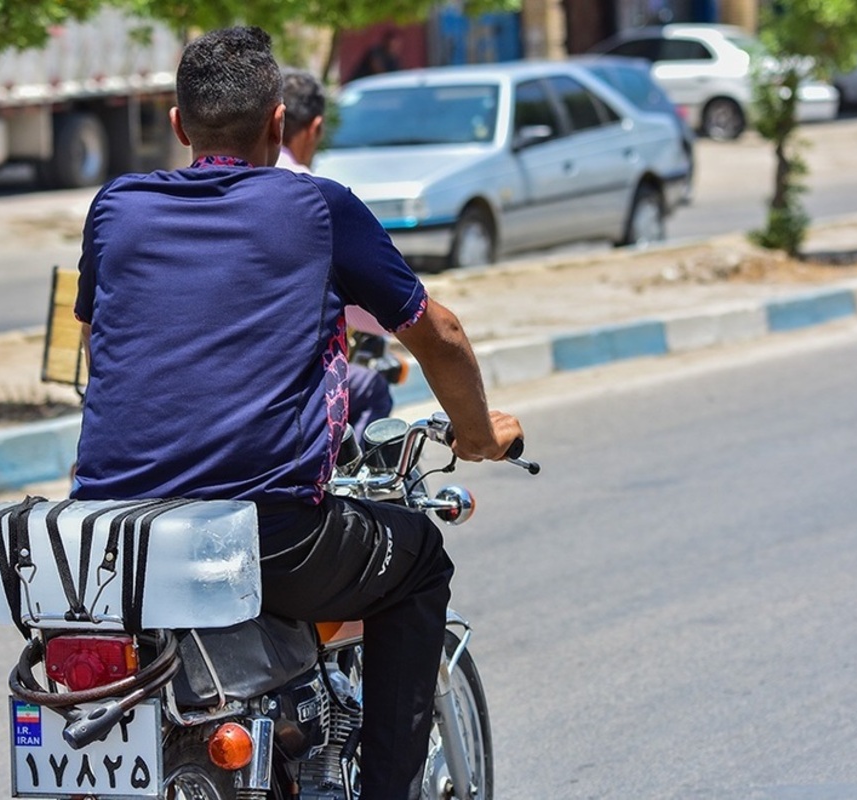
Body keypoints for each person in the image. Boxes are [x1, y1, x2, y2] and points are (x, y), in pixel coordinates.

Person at [71, 26, 523, 800]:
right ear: (280, 127)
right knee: (417, 562)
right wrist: (478, 436)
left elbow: (95, 345)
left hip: (120, 537)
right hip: (270, 534)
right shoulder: (317, 207)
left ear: (178, 126)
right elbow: (438, 332)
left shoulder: (115, 207)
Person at [276, 67, 394, 442]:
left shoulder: (193, 196)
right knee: (372, 388)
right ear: (315, 128)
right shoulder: (317, 200)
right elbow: (373, 296)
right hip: (287, 379)